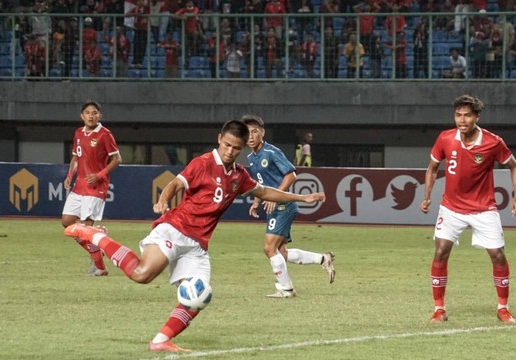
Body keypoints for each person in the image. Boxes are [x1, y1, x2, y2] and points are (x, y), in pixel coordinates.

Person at [64, 119, 326, 352]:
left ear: (243, 148)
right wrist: (163, 200)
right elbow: (176, 183)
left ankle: (160, 340)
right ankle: (94, 235)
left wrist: (303, 197)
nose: (230, 151)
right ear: (219, 140)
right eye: (226, 145)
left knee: (199, 297)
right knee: (142, 275)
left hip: (198, 246)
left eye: (236, 148)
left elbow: (267, 192)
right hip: (175, 229)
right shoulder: (202, 163)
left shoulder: (239, 175)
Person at [420, 94, 516, 324]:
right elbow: (432, 168)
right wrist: (427, 196)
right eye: (458, 115)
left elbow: (514, 166)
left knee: (497, 255)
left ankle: (503, 308)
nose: (462, 120)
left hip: (484, 208)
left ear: (477, 117)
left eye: (467, 115)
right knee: (440, 251)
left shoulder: (493, 142)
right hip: (451, 208)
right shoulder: (445, 138)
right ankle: (439, 309)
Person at [243, 114, 335, 298]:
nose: (251, 136)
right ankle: (323, 259)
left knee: (269, 249)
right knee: (281, 253)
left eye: (254, 132)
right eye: (247, 133)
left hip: (283, 206)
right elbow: (260, 183)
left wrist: (274, 197)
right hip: (274, 206)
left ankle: (286, 289)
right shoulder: (251, 158)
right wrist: (257, 200)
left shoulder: (271, 152)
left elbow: (291, 175)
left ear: (262, 132)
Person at [62, 100, 121, 276]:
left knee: (85, 229)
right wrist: (69, 176)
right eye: (88, 112)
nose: (91, 115)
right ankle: (99, 240)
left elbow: (117, 159)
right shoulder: (78, 133)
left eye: (94, 112)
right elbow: (75, 158)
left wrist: (100, 175)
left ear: (99, 116)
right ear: (82, 116)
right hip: (79, 185)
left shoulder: (105, 134)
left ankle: (100, 267)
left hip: (96, 187)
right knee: (67, 223)